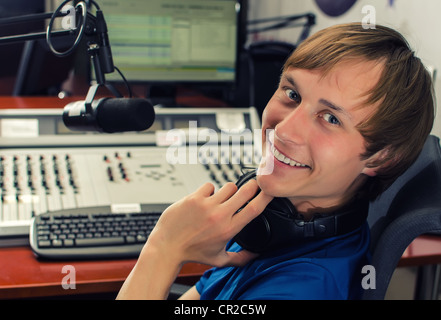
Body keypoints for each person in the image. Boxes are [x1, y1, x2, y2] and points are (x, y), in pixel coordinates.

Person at [116, 23, 435, 300]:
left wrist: (162, 250)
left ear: (381, 155)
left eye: (330, 118)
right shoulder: (277, 216)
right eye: (292, 94)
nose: (283, 129)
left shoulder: (299, 290)